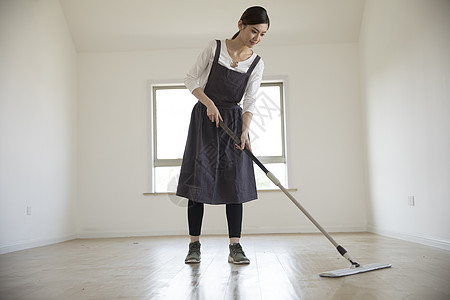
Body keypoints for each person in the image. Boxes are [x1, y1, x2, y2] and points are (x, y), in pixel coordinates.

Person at [176, 6, 269, 264]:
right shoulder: (215, 47)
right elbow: (190, 79)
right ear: (240, 24)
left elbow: (250, 100)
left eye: (262, 34)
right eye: (253, 31)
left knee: (235, 183)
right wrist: (208, 103)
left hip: (234, 123)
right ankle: (194, 245)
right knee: (198, 182)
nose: (256, 38)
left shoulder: (256, 63)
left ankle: (235, 247)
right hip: (205, 119)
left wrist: (245, 131)